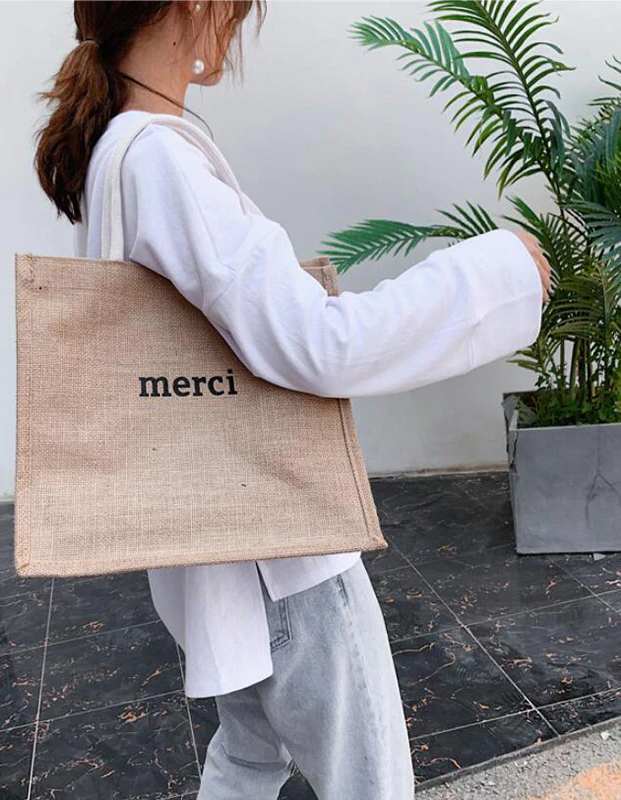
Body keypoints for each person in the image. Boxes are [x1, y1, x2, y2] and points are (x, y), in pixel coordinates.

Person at [34, 3, 551, 798]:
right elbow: (316, 344)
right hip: (278, 559)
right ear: (193, 6)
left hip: (222, 544)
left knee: (249, 758)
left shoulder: (117, 148)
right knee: (369, 782)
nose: (237, 28)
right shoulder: (159, 158)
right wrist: (498, 274)